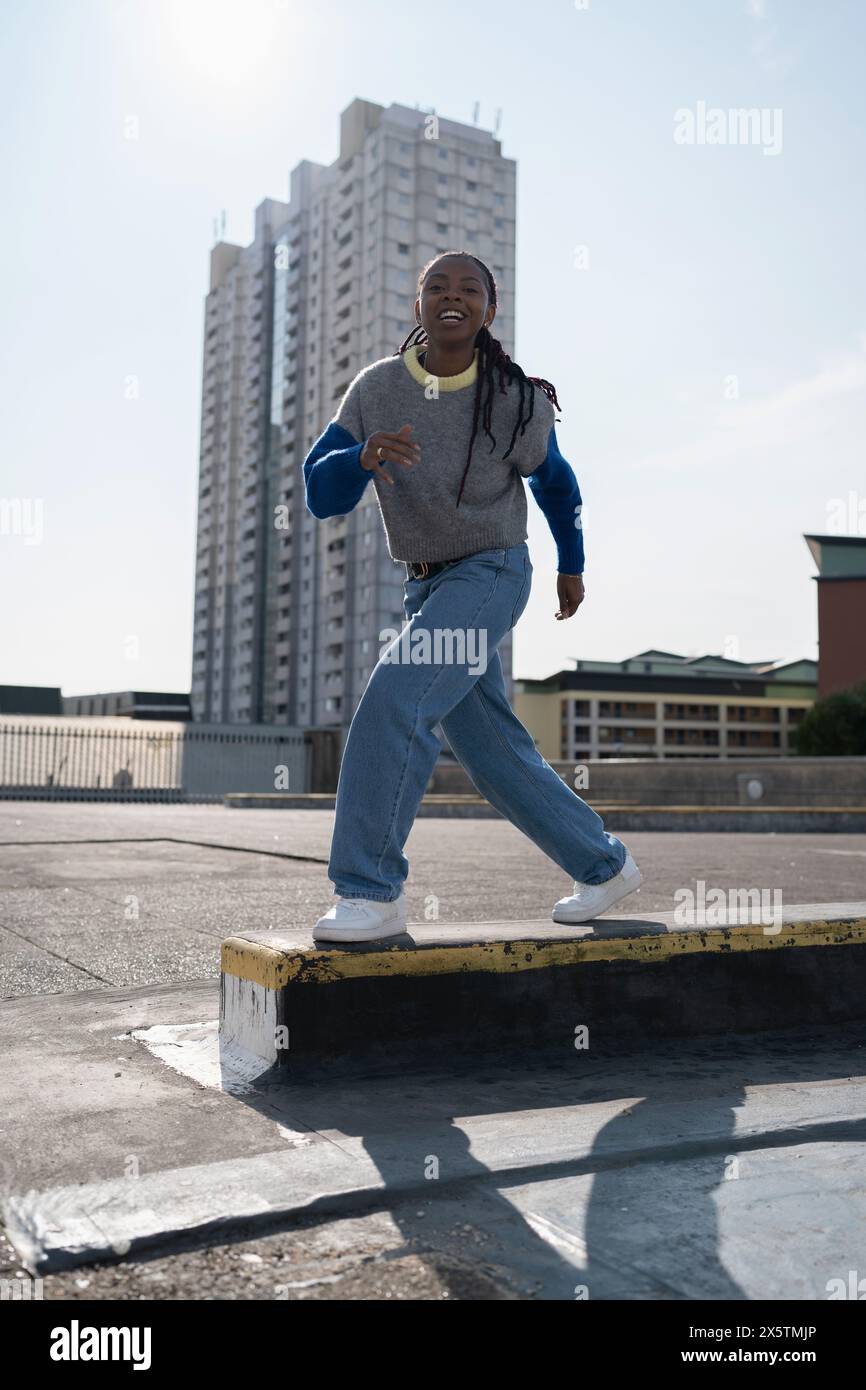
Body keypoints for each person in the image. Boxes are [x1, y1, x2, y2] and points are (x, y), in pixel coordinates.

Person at [302, 250, 641, 941]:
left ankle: (369, 890)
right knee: (491, 751)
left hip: (491, 574)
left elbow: (557, 486)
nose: (451, 297)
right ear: (417, 304)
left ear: (490, 309)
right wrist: (360, 457)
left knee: (395, 701)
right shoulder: (376, 390)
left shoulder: (514, 396)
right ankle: (604, 867)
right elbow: (318, 492)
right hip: (424, 585)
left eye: (469, 289)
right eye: (436, 287)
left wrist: (570, 565)